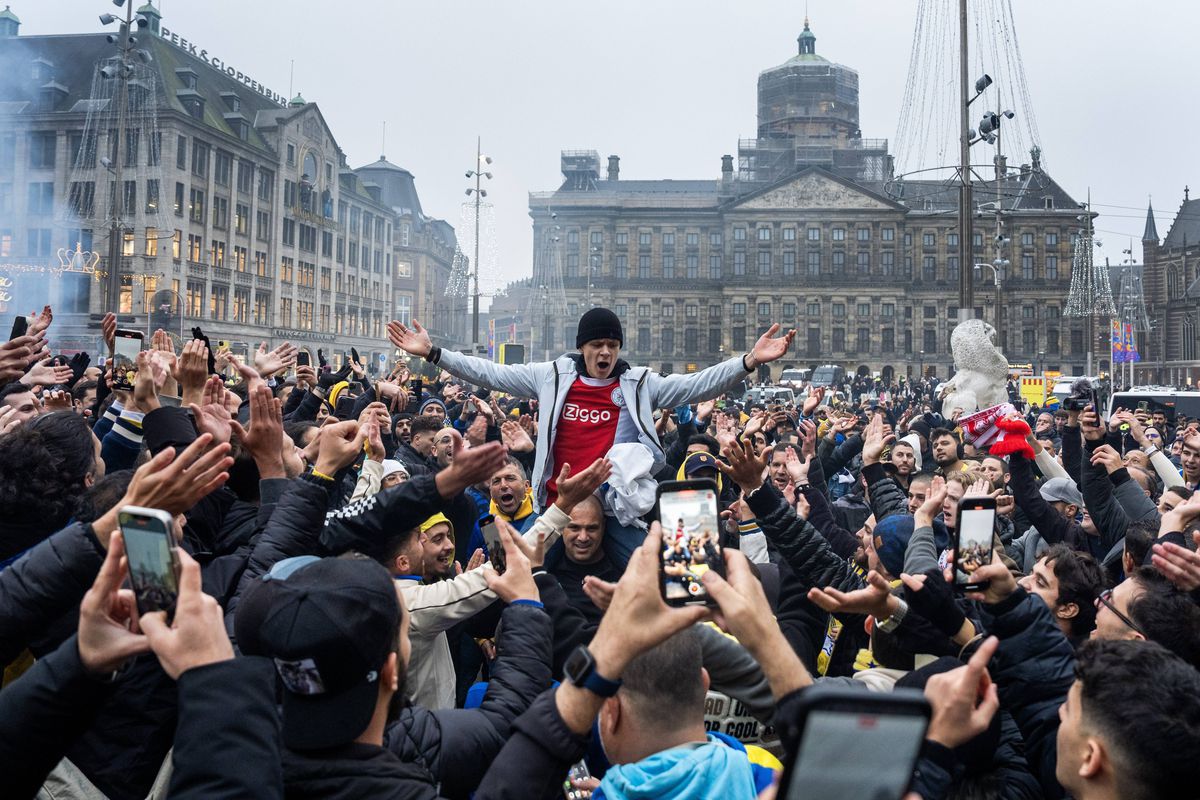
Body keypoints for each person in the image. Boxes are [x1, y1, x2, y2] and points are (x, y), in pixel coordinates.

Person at [388, 307, 795, 565]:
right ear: (582, 347)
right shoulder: (550, 377)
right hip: (557, 503)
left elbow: (695, 386)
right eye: (597, 345)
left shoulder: (639, 384)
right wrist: (434, 353)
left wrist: (748, 361)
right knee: (504, 569)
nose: (605, 354)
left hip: (610, 509)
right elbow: (490, 373)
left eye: (613, 346)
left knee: (661, 573)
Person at [548, 494, 622, 626]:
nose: (583, 537)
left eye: (592, 528)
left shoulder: (623, 573)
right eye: (574, 528)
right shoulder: (547, 576)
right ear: (561, 527)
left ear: (603, 526)